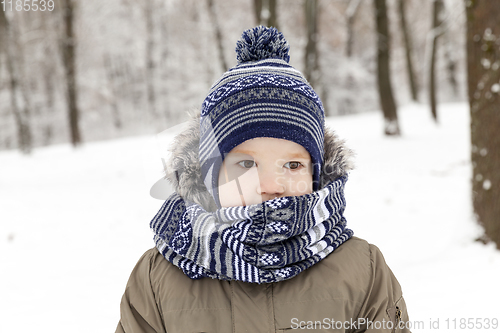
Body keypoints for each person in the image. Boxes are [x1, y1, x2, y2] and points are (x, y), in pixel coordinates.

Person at [116, 26, 410, 333]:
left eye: (293, 164)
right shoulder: (157, 276)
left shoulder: (362, 270)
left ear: (316, 174)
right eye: (246, 163)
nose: (271, 185)